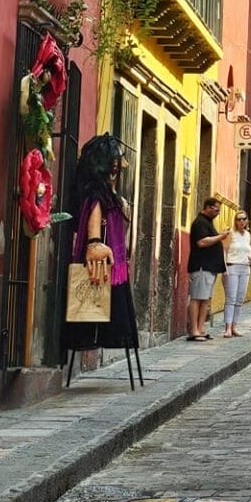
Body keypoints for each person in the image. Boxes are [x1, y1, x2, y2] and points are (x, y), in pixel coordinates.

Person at [64, 136, 139, 354]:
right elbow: (94, 219)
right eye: (114, 163)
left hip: (113, 264)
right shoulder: (96, 195)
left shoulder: (105, 192)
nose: (117, 168)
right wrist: (96, 243)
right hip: (104, 266)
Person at [186, 199, 227, 342]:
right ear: (207, 207)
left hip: (210, 267)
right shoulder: (200, 222)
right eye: (216, 210)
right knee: (197, 298)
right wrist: (220, 237)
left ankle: (201, 328)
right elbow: (201, 242)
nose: (217, 213)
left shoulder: (208, 222)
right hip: (201, 266)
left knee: (206, 299)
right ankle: (194, 330)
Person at [221, 212, 251, 337]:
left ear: (247, 221)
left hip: (245, 268)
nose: (241, 221)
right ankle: (228, 328)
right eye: (238, 219)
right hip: (232, 267)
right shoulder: (230, 233)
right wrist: (224, 268)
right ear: (235, 221)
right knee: (231, 298)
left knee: (240, 299)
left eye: (244, 219)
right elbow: (224, 251)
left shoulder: (248, 235)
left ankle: (234, 326)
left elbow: (249, 252)